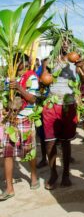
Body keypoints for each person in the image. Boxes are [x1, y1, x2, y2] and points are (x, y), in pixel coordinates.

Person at [41, 39, 84, 190]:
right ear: (57, 43)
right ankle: (53, 173)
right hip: (51, 105)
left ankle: (66, 173)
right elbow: (43, 82)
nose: (66, 45)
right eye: (63, 41)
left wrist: (81, 68)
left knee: (66, 141)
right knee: (50, 142)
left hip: (68, 106)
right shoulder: (49, 61)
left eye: (68, 42)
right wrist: (45, 78)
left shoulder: (76, 60)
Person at [0, 54, 40, 201]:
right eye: (15, 62)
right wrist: (5, 107)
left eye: (19, 62)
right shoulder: (9, 78)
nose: (18, 64)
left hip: (25, 118)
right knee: (7, 153)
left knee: (29, 150)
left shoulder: (32, 77)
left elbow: (33, 98)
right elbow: (6, 99)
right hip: (11, 120)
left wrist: (18, 87)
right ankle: (9, 188)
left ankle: (34, 175)